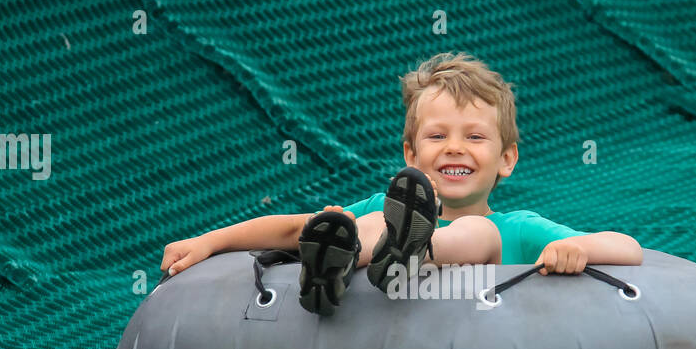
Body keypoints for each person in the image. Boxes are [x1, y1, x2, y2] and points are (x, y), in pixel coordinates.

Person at [160, 52, 643, 314]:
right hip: (382, 257)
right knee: (360, 220)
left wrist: (576, 249)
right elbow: (293, 229)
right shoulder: (382, 207)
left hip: (473, 320)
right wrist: (210, 241)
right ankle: (335, 266)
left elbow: (629, 248)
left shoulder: (518, 228)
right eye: (437, 136)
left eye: (474, 136)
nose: (454, 148)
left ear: (507, 159)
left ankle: (413, 251)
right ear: (410, 154)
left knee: (479, 233)